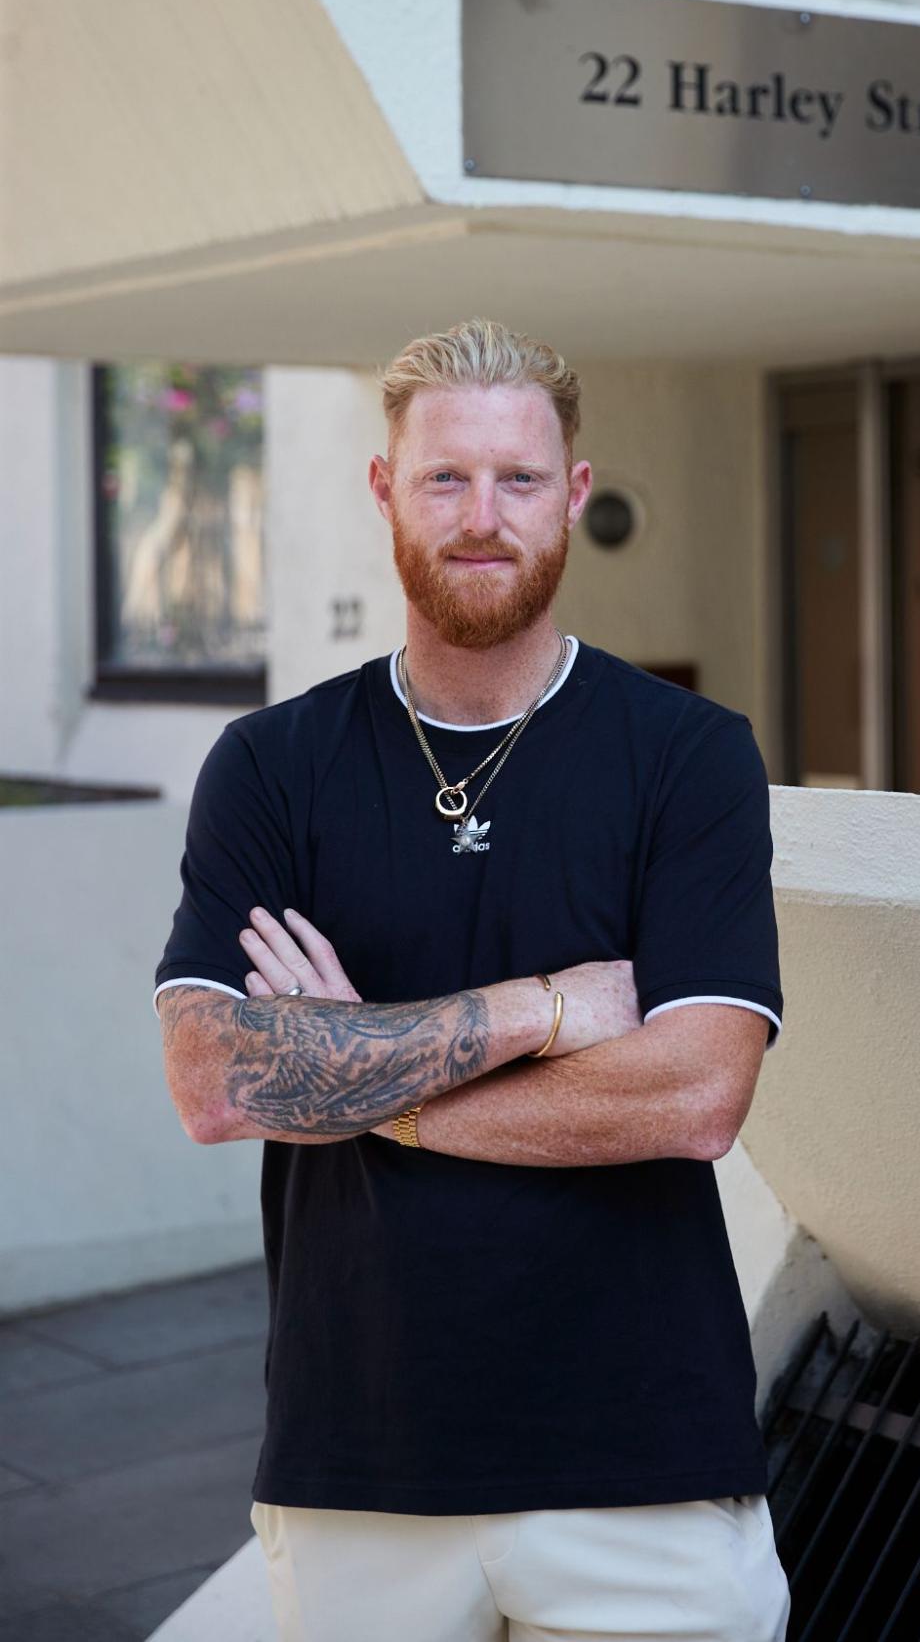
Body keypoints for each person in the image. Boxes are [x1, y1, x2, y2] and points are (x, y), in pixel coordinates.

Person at [154, 319, 791, 1642]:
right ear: (387, 491)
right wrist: (538, 1011)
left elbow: (690, 1099)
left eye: (515, 479)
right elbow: (218, 1082)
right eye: (445, 478)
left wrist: (351, 1077)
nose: (481, 516)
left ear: (572, 492)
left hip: (645, 1473)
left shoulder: (687, 756)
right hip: (360, 1463)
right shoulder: (273, 766)